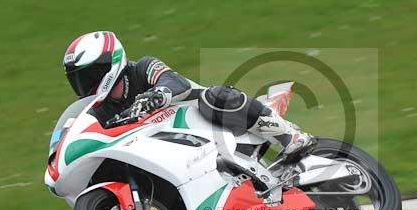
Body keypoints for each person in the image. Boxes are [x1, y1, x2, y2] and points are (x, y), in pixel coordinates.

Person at [63, 31, 316, 158]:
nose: (87, 85)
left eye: (90, 76)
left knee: (213, 97)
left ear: (109, 64)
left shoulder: (142, 68)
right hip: (170, 150)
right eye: (79, 80)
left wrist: (158, 94)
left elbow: (176, 82)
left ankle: (288, 135)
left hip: (206, 123)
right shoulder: (100, 110)